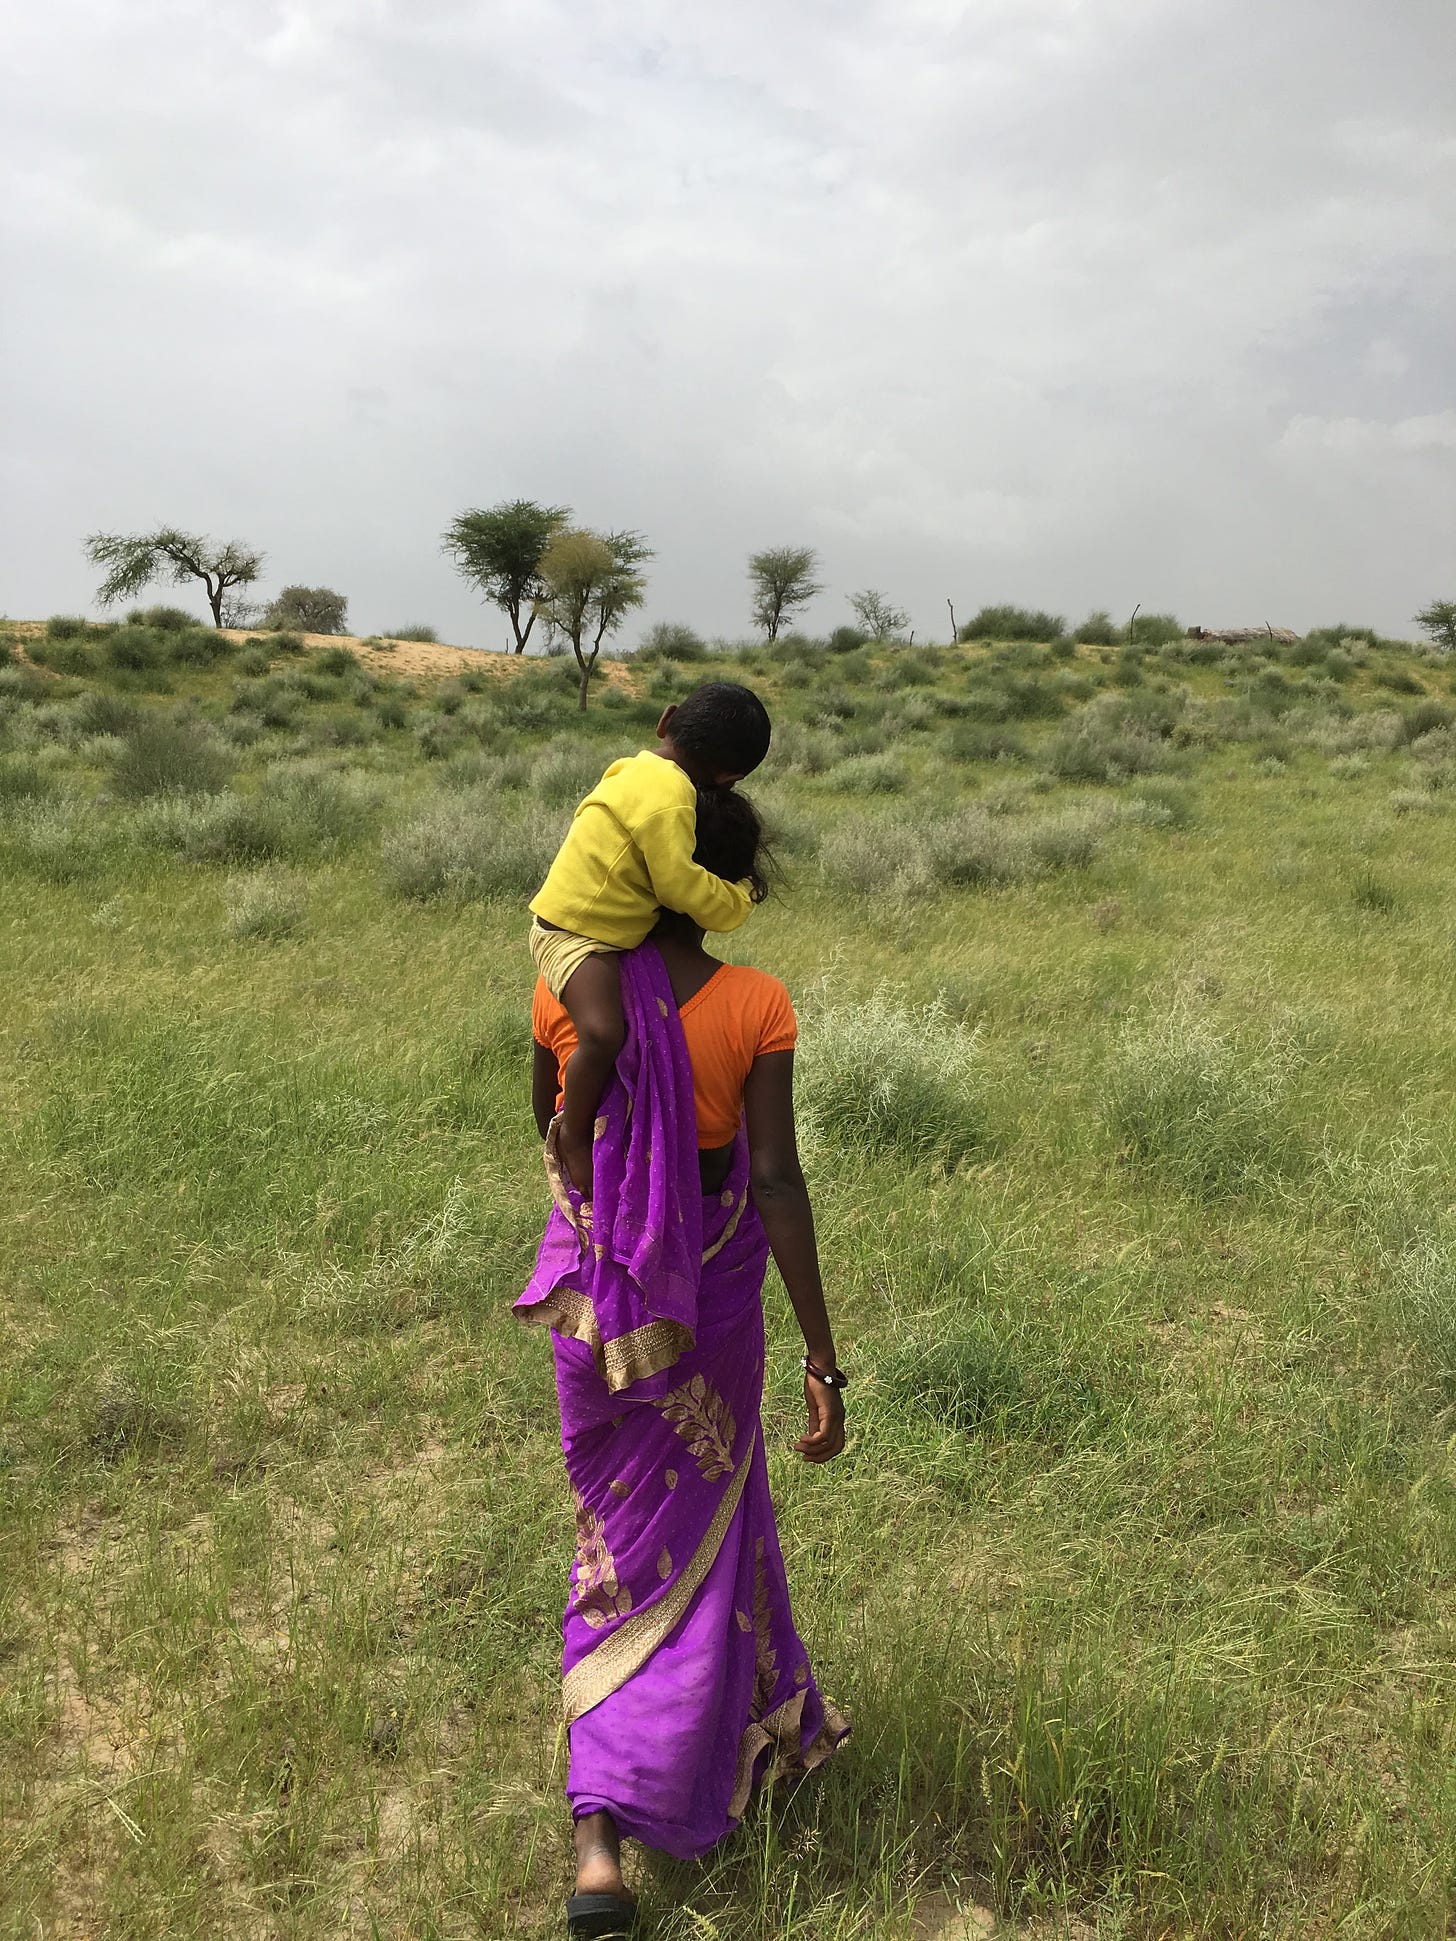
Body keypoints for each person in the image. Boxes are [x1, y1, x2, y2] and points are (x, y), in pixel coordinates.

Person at [517, 788, 848, 1940]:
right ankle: (710, 1753)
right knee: (704, 1540)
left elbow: (560, 1148)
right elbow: (772, 1180)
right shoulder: (756, 1003)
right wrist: (823, 1352)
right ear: (731, 884)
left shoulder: (566, 992)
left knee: (614, 1553)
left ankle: (599, 1846)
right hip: (709, 1318)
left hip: (600, 1319)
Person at [528, 682, 773, 1206]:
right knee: (601, 1034)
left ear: (666, 721)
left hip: (585, 927)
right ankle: (572, 1133)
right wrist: (735, 900)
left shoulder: (630, 768)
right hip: (577, 937)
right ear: (731, 777)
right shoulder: (671, 796)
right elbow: (676, 884)